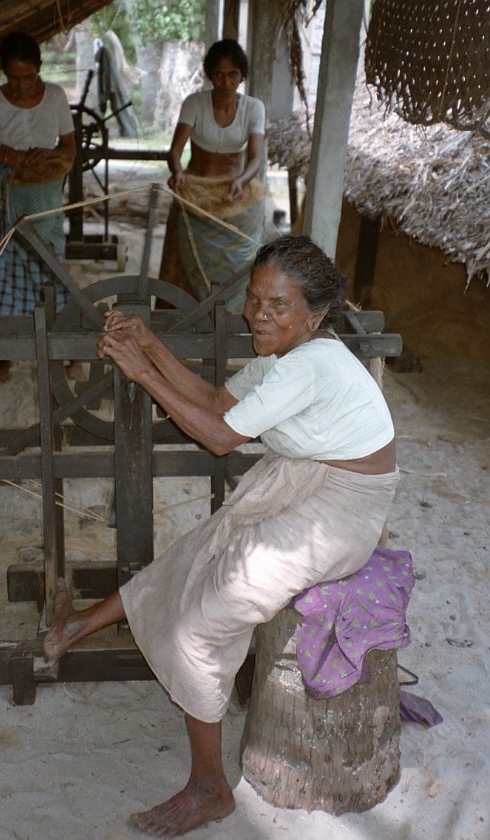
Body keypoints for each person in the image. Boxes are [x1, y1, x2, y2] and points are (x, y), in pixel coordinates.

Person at [44, 234, 399, 837]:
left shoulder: (310, 364)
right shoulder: (284, 354)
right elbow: (214, 399)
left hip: (344, 509)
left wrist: (139, 371)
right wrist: (148, 343)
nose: (260, 314)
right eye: (256, 299)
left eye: (278, 305)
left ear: (313, 315)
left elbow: (217, 436)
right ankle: (79, 623)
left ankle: (210, 788)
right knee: (199, 548)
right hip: (309, 480)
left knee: (201, 625)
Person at [0, 32, 76, 382]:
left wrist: (46, 153)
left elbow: (69, 149)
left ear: (39, 70)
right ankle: (3, 353)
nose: (21, 86)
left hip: (43, 193)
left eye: (29, 77)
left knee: (48, 263)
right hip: (1, 190)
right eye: (14, 78)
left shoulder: (55, 97)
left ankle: (65, 348)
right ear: (4, 73)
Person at [159, 39, 266, 313]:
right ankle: (182, 316)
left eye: (233, 75)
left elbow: (255, 158)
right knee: (184, 256)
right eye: (219, 74)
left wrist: (242, 181)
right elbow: (174, 152)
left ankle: (232, 316)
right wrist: (179, 173)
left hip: (234, 191)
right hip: (195, 188)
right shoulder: (194, 103)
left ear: (242, 76)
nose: (226, 81)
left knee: (242, 258)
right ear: (209, 75)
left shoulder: (254, 108)